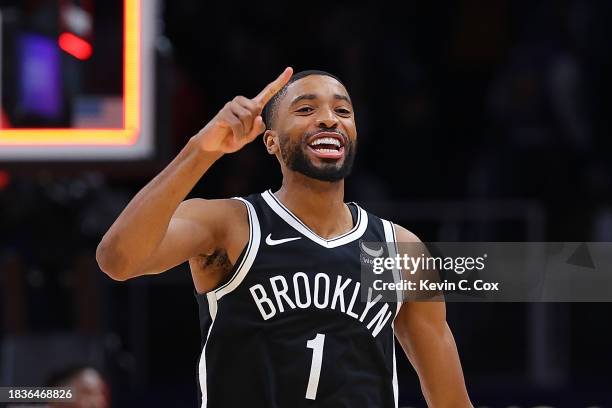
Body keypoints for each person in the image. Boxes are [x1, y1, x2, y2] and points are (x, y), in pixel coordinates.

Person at [96, 67, 472, 407]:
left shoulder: (398, 249)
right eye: (306, 110)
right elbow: (117, 260)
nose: (329, 119)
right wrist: (201, 151)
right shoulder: (232, 225)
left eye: (343, 111)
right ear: (271, 141)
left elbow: (451, 401)